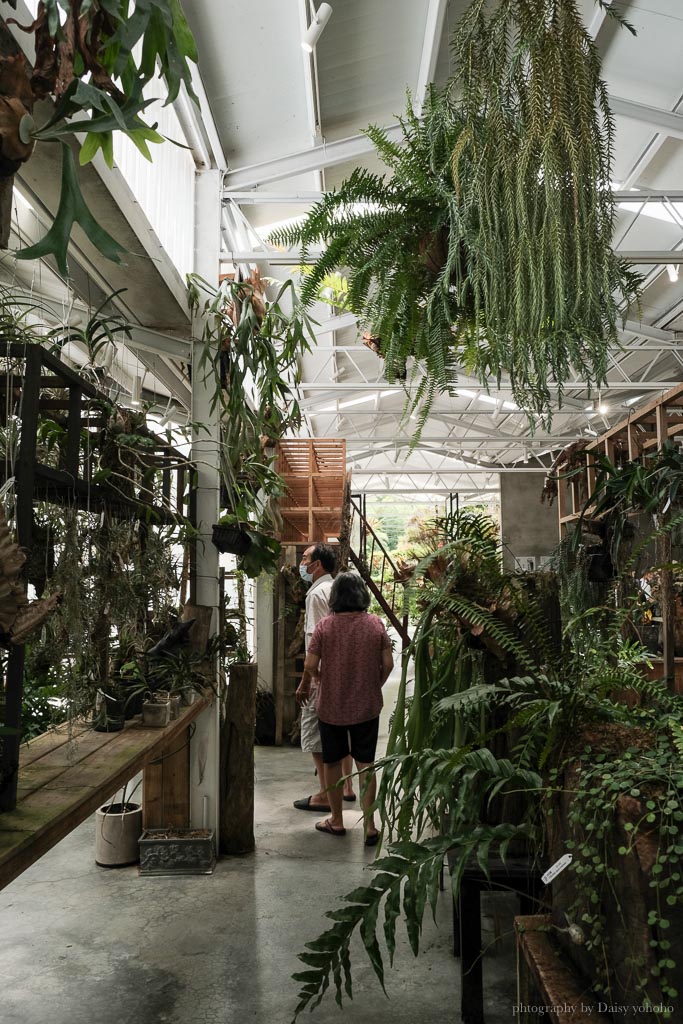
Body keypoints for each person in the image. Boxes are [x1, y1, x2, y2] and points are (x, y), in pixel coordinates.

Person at [297, 572, 394, 845]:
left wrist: (318, 678)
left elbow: (309, 664)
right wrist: (375, 683)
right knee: (366, 763)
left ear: (335, 597)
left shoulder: (325, 627)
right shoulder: (375, 625)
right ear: (362, 594)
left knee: (332, 761)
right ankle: (371, 826)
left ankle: (337, 821)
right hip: (366, 706)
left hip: (332, 706)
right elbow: (388, 664)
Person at [293, 544, 355, 813]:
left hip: (322, 675)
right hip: (344, 672)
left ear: (317, 564)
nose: (302, 563)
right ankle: (346, 788)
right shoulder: (337, 590)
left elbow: (315, 642)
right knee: (344, 730)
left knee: (314, 731)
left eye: (305, 558)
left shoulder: (316, 593)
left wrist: (307, 680)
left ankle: (324, 794)